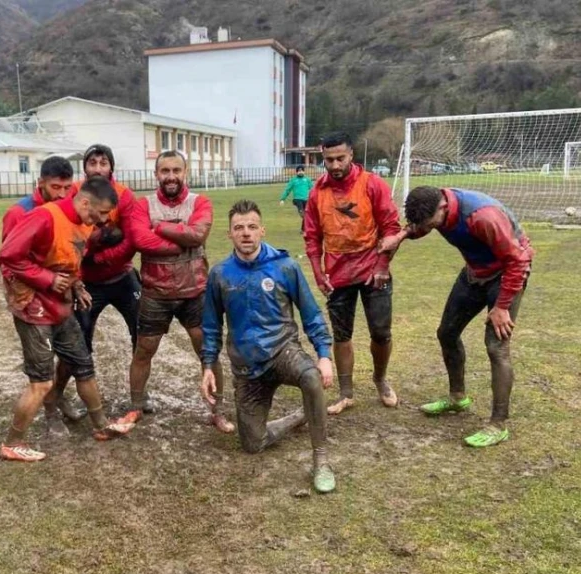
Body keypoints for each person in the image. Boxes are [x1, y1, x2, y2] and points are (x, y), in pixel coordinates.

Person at [379, 186, 534, 447]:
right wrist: (401, 236)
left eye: (430, 224)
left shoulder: (482, 217)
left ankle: (498, 425)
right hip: (475, 272)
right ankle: (457, 398)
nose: (426, 229)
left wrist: (502, 306)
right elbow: (420, 227)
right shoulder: (435, 207)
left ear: (442, 208)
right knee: (447, 333)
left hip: (507, 275)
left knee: (496, 347)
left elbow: (517, 260)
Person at [201, 200, 337, 493]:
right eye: (239, 228)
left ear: (262, 230)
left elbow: (311, 314)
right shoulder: (220, 274)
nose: (246, 233)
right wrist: (208, 365)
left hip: (282, 352)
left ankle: (321, 460)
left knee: (311, 376)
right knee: (253, 444)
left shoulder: (285, 266)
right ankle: (303, 415)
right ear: (230, 235)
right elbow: (211, 326)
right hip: (247, 367)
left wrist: (324, 355)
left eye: (252, 227)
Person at [0, 175, 136, 461]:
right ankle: (12, 443)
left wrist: (76, 285)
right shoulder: (45, 217)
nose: (100, 222)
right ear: (85, 202)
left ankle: (101, 425)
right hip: (33, 306)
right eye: (98, 214)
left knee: (82, 364)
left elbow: (69, 259)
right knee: (42, 381)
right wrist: (47, 279)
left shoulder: (84, 223)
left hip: (60, 305)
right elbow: (8, 255)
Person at [43, 145, 154, 435]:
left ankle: (139, 396)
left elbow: (130, 241)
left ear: (111, 168)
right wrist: (88, 259)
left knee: (142, 334)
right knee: (77, 346)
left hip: (122, 276)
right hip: (87, 281)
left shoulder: (124, 195)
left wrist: (100, 256)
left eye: (103, 162)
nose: (98, 166)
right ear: (85, 169)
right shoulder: (75, 194)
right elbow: (67, 239)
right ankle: (55, 400)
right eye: (92, 162)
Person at [121, 151, 232, 432]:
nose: (170, 176)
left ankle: (217, 410)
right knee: (143, 350)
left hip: (194, 291)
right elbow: (141, 241)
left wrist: (158, 226)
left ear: (186, 173)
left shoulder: (200, 202)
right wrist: (181, 237)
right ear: (156, 174)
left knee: (207, 351)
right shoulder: (142, 204)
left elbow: (198, 236)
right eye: (164, 171)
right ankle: (135, 406)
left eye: (176, 170)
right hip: (155, 293)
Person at [303, 132, 402, 415]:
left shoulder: (372, 184)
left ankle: (380, 380)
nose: (334, 165)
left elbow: (391, 228)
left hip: (374, 271)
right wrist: (318, 272)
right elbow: (312, 237)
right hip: (337, 274)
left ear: (351, 155)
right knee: (341, 334)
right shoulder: (317, 193)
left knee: (381, 333)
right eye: (328, 160)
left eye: (340, 159)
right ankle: (346, 393)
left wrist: (383, 265)